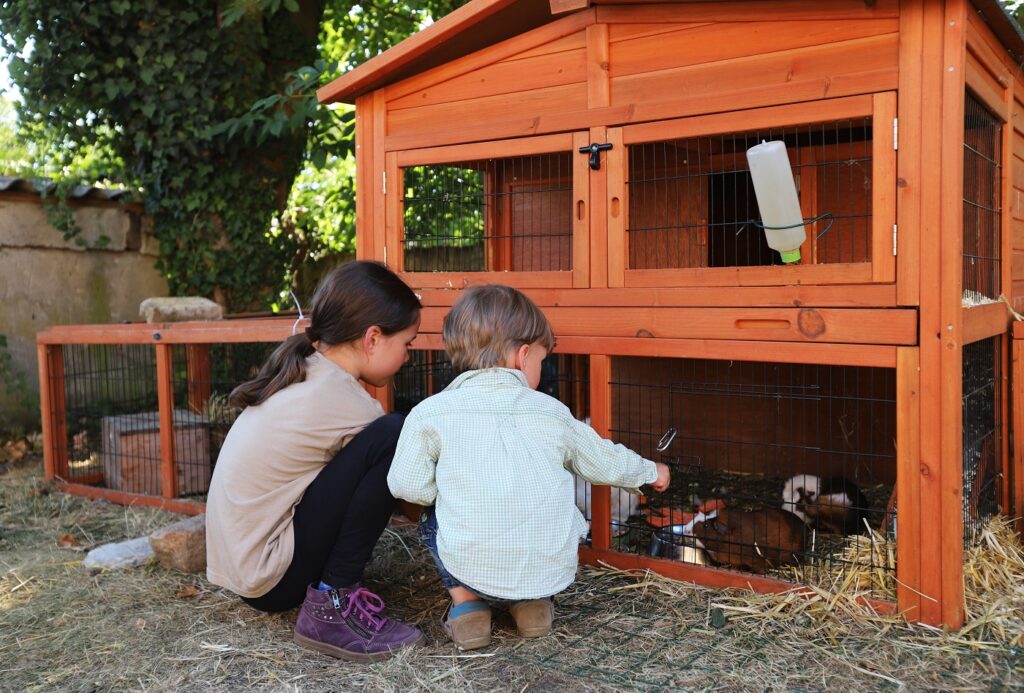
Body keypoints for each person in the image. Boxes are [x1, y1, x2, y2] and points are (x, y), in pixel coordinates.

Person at [387, 285, 671, 651]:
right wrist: (651, 472)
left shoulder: (430, 412)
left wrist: (446, 492)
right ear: (522, 357)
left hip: (470, 558)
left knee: (434, 514)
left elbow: (406, 486)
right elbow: (602, 459)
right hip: (547, 568)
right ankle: (533, 605)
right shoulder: (551, 412)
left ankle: (468, 606)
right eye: (540, 360)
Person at [205, 260, 424, 662]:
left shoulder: (306, 370)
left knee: (384, 438)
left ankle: (330, 594)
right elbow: (410, 496)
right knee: (393, 434)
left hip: (248, 575)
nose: (408, 356)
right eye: (407, 343)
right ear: (373, 338)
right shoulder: (346, 401)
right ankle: (332, 605)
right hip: (272, 579)